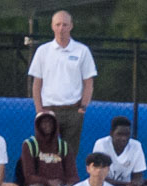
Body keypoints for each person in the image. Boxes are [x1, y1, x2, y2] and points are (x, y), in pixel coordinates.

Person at [27, 10, 96, 155]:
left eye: (65, 24)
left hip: (73, 110)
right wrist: (39, 110)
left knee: (69, 154)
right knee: (45, 152)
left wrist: (82, 107)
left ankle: (68, 178)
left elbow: (88, 82)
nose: (61, 28)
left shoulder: (82, 51)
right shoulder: (42, 51)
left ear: (71, 26)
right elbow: (37, 83)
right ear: (52, 26)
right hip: (48, 110)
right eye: (58, 24)